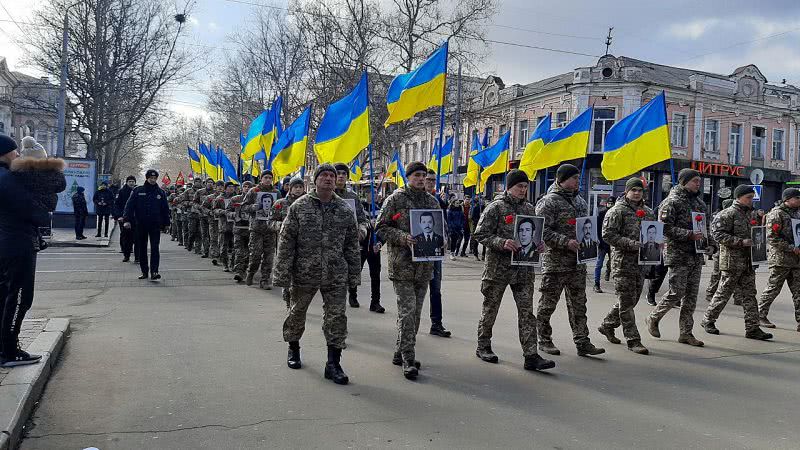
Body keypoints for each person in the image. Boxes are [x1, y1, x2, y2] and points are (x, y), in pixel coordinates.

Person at [274, 164, 360, 386]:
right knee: (297, 312)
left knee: (336, 317)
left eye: (332, 176)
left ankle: (333, 364)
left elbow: (352, 244)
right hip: (304, 271)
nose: (329, 179)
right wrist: (282, 274)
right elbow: (286, 241)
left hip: (335, 272)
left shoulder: (344, 209)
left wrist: (354, 275)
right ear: (315, 180)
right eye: (324, 176)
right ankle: (293, 348)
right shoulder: (299, 207)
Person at [473, 170, 555, 371]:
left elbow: (536, 233)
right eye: (519, 186)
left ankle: (531, 355)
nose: (523, 190)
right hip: (498, 270)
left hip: (523, 270)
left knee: (527, 313)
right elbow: (480, 234)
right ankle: (483, 346)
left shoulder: (529, 208)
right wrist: (501, 242)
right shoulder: (496, 208)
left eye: (525, 186)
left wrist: (540, 245)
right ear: (509, 187)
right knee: (490, 309)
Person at [376, 161, 442, 380]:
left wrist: (442, 242)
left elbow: (440, 230)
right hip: (402, 265)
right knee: (407, 312)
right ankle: (408, 357)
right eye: (416, 175)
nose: (421, 179)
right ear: (408, 177)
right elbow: (381, 227)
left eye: (424, 175)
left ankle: (400, 351)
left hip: (424, 266)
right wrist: (403, 238)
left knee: (416, 313)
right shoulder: (395, 199)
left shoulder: (432, 201)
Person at [534, 163, 605, 357]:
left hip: (577, 263)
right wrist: (565, 242)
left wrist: (591, 240)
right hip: (556, 262)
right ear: (561, 179)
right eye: (573, 178)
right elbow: (541, 231)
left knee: (579, 305)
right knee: (548, 304)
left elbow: (585, 227)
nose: (577, 181)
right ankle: (544, 339)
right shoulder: (549, 202)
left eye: (577, 178)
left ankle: (582, 341)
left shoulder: (580, 201)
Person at [0, 134, 51, 367]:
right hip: (17, 244)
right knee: (20, 298)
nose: (18, 154)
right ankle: (10, 351)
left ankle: (5, 347)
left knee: (5, 296)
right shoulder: (9, 179)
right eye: (14, 151)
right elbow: (37, 211)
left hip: (8, 244)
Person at [701, 185, 772, 340]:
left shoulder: (750, 214)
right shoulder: (727, 214)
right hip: (732, 261)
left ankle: (752, 328)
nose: (750, 200)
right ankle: (708, 320)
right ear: (738, 197)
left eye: (752, 197)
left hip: (748, 262)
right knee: (723, 293)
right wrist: (740, 241)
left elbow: (757, 233)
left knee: (749, 295)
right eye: (748, 197)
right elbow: (717, 234)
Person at [645, 168, 706, 347]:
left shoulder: (699, 204)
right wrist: (689, 234)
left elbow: (703, 227)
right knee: (676, 292)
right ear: (683, 181)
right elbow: (663, 228)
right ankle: (653, 317)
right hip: (678, 254)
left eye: (699, 180)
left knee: (691, 297)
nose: (698, 183)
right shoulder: (671, 202)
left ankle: (686, 333)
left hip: (696, 254)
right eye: (695, 180)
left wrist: (708, 243)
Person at [597, 178, 654, 355]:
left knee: (632, 299)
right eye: (634, 190)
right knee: (626, 302)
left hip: (642, 263)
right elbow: (607, 235)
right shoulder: (617, 211)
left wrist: (656, 245)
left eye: (640, 190)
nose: (637, 193)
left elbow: (654, 232)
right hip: (622, 263)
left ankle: (607, 325)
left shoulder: (648, 212)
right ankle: (633, 340)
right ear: (627, 191)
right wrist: (630, 243)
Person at [758, 188, 800, 331]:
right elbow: (772, 237)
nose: (799, 200)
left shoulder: (797, 213)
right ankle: (760, 315)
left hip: (796, 260)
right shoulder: (777, 213)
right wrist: (791, 247)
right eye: (797, 198)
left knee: (798, 292)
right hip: (781, 259)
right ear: (787, 199)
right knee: (773, 288)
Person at [123, 169, 170, 280]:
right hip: (141, 224)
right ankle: (144, 271)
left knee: (155, 248)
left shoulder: (160, 192)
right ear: (147, 178)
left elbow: (165, 209)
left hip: (155, 224)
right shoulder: (138, 190)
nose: (153, 180)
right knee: (142, 248)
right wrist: (127, 220)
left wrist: (167, 223)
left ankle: (154, 271)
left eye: (154, 178)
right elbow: (129, 206)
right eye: (151, 178)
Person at [333, 163, 369, 308]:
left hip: (351, 240)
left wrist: (362, 231)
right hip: (332, 240)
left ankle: (352, 293)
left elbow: (362, 218)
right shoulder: (327, 194)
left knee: (353, 267)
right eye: (338, 173)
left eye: (344, 173)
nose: (341, 176)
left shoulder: (352, 197)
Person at [269, 177, 306, 308]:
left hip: (304, 246)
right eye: (295, 187)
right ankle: (288, 299)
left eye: (300, 187)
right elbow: (270, 222)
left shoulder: (308, 204)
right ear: (290, 188)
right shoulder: (280, 203)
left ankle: (298, 300)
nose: (298, 189)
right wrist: (282, 226)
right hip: (285, 245)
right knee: (286, 272)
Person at [423, 169, 451, 338]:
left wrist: (445, 238)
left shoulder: (437, 201)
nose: (431, 183)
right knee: (414, 293)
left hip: (434, 252)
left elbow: (442, 222)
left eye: (433, 180)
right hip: (417, 252)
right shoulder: (411, 199)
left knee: (436, 289)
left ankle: (436, 323)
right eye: (428, 179)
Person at [243, 171, 281, 289]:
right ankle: (250, 272)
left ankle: (265, 280)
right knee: (255, 255)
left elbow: (281, 206)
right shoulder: (254, 191)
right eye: (266, 177)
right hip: (256, 228)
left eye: (270, 178)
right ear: (261, 178)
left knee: (269, 257)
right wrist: (254, 207)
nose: (268, 180)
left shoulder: (276, 192)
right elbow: (244, 207)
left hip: (270, 229)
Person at [229, 180, 253, 282]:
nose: (247, 188)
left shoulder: (255, 200)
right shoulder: (235, 199)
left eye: (249, 187)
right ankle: (239, 272)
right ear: (242, 188)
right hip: (238, 229)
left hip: (251, 230)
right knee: (239, 251)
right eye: (245, 186)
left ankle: (245, 270)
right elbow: (227, 211)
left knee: (249, 253)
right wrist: (234, 215)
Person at [214, 182, 237, 272]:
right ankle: (225, 264)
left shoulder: (237, 198)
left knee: (236, 247)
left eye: (232, 187)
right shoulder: (219, 198)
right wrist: (222, 212)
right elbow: (214, 210)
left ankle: (233, 264)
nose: (231, 189)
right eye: (229, 187)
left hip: (235, 226)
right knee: (223, 246)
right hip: (224, 225)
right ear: (225, 188)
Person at [594, 196, 615, 293]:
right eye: (609, 203)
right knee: (598, 264)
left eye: (612, 203)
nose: (610, 205)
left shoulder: (617, 214)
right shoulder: (602, 213)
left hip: (613, 244)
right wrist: (598, 240)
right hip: (603, 243)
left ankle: (609, 271)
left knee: (614, 264)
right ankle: (596, 284)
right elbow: (598, 228)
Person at [115, 176, 137, 262]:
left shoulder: (138, 191)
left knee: (136, 237)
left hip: (135, 218)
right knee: (125, 236)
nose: (131, 183)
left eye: (133, 181)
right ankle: (126, 253)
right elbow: (117, 205)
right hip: (124, 217)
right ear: (127, 182)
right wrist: (119, 216)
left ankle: (137, 256)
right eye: (130, 181)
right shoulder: (121, 191)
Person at [194, 178, 215, 258]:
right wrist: (200, 207)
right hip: (203, 216)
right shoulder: (200, 192)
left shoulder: (216, 193)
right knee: (204, 234)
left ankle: (213, 252)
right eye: (208, 182)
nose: (210, 184)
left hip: (213, 217)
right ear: (205, 183)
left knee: (212, 235)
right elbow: (195, 202)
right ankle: (206, 251)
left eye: (211, 182)